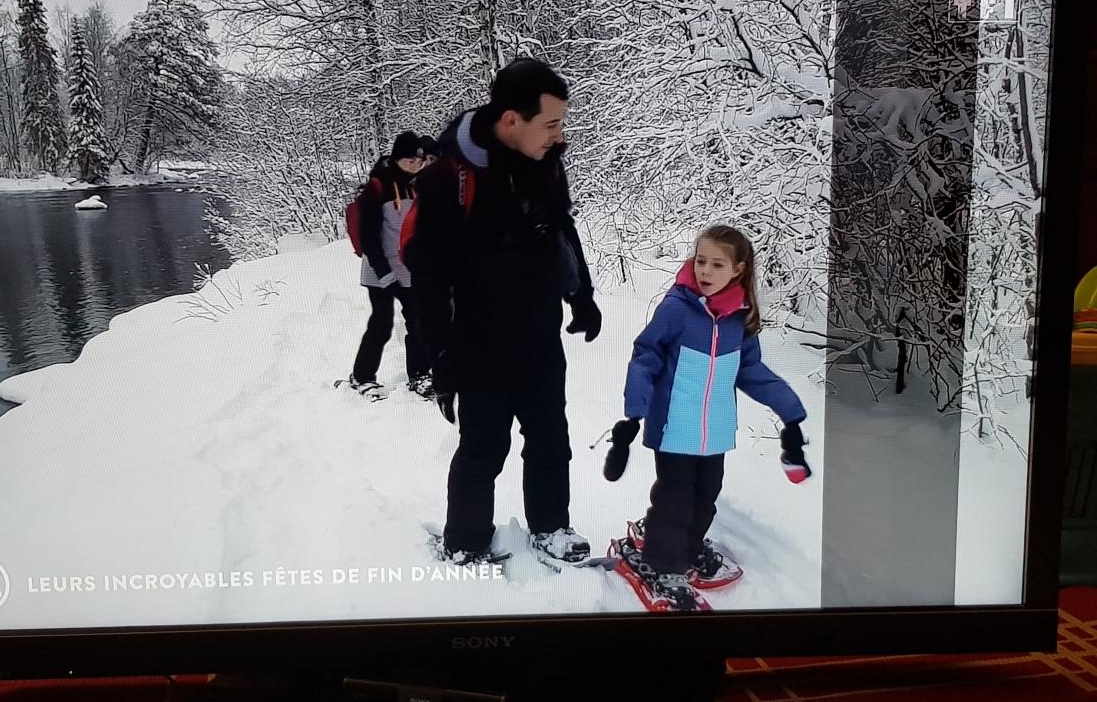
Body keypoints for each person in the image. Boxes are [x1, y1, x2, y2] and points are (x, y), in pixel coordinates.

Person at [404, 58, 603, 564]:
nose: (560, 136)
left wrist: (581, 294)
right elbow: (427, 277)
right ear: (512, 119)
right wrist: (439, 354)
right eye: (551, 123)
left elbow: (560, 229)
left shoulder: (546, 161)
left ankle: (551, 527)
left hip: (538, 330)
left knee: (550, 437)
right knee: (483, 447)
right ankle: (466, 541)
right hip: (477, 342)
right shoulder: (448, 179)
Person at [610, 225, 809, 610]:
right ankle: (663, 564)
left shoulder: (740, 318)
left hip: (715, 432)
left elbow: (751, 370)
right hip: (674, 428)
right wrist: (634, 411)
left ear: (738, 269)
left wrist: (790, 412)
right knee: (675, 499)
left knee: (706, 496)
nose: (705, 270)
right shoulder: (677, 309)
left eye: (717, 264)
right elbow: (646, 356)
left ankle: (688, 546)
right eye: (701, 261)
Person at [345, 131, 434, 401]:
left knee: (418, 322)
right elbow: (369, 236)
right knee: (381, 324)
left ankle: (419, 375)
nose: (415, 165)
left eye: (418, 161)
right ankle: (362, 377)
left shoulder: (420, 186)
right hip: (379, 269)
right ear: (397, 159)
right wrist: (384, 273)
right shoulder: (378, 186)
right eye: (409, 160)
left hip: (409, 269)